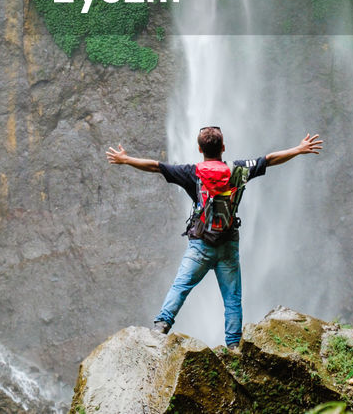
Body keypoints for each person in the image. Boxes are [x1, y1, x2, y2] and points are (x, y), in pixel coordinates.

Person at [106, 126, 324, 349]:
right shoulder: (239, 169)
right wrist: (298, 149)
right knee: (232, 299)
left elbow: (156, 166)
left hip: (200, 245)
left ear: (199, 149)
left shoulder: (191, 172)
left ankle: (162, 325)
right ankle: (233, 346)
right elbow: (269, 159)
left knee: (180, 287)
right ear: (223, 147)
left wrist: (125, 159)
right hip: (228, 244)